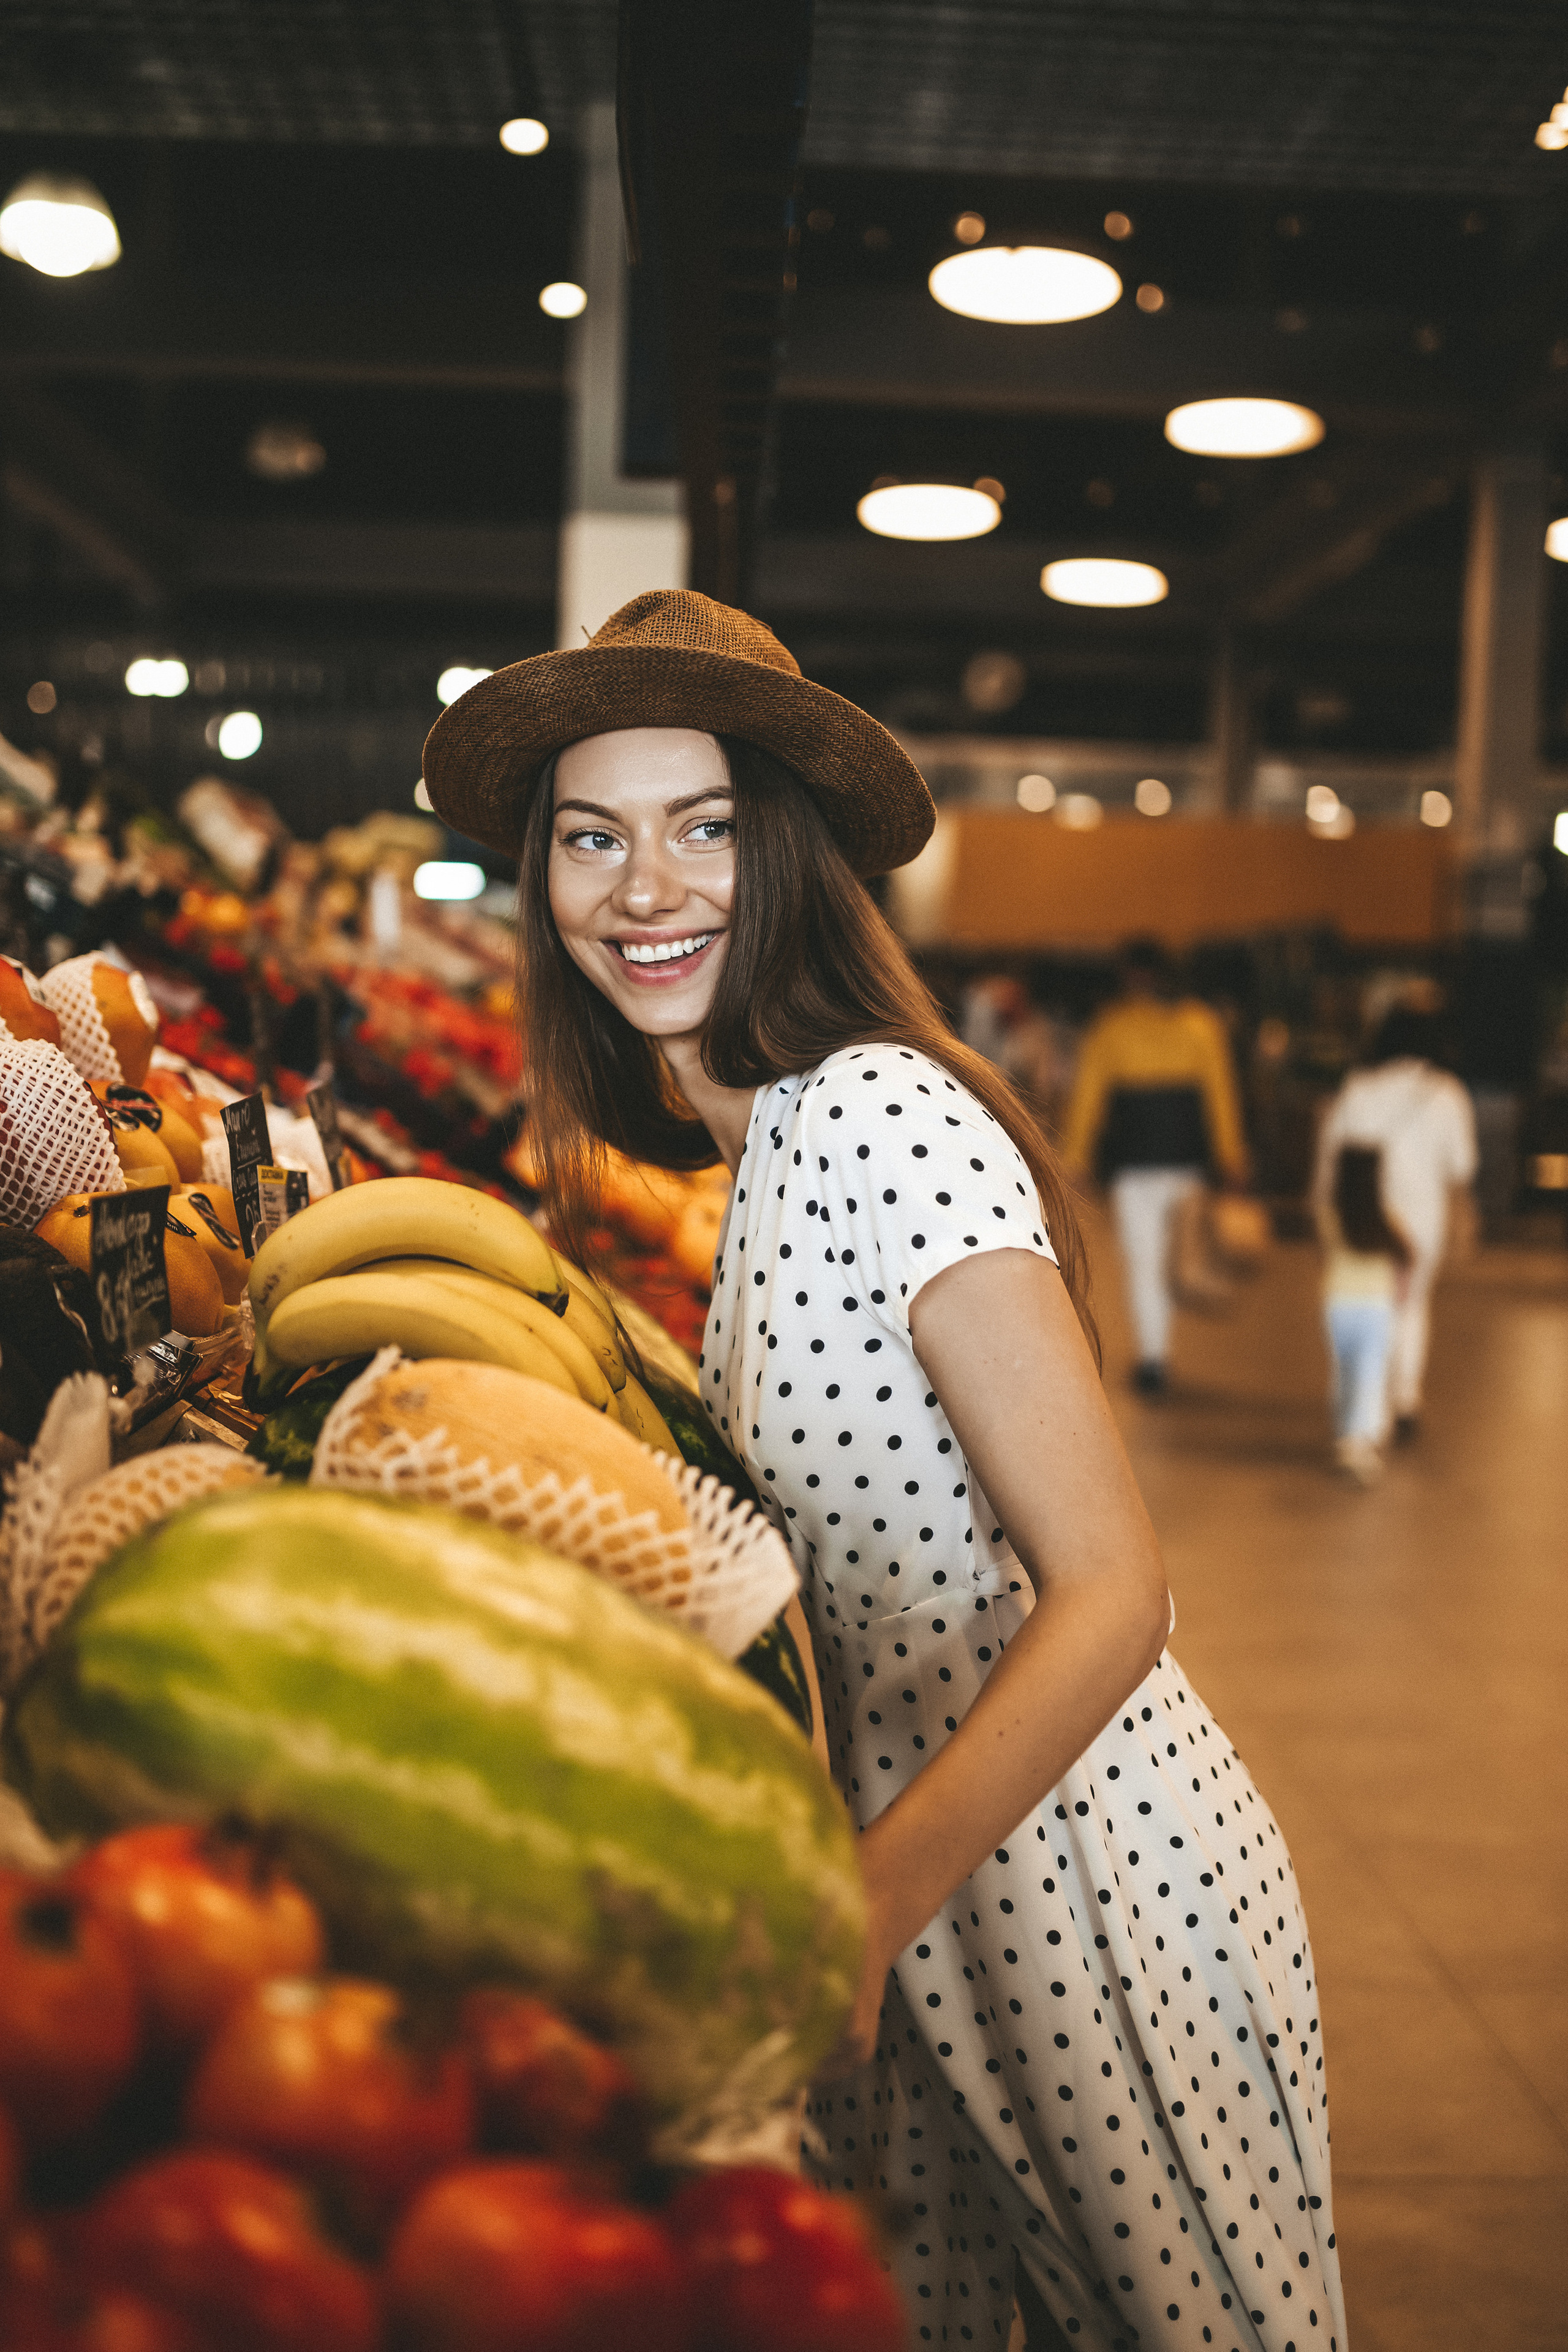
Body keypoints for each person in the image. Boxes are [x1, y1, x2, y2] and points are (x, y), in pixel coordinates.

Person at [424, 591, 1346, 2352]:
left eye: (703, 830)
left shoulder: (872, 1117)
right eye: (590, 839)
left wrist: (872, 1904)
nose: (646, 889)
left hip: (1082, 1890)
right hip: (940, 1905)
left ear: (783, 853)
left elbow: (1114, 1590)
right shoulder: (759, 1153)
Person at [1060, 941, 1250, 1396]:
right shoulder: (1201, 1026)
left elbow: (1088, 1097)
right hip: (1186, 1163)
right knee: (1175, 1256)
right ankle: (1156, 1352)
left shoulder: (1112, 1027)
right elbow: (1220, 1094)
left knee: (1144, 1260)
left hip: (1133, 1164)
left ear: (1130, 976)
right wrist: (1231, 1154)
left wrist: (1076, 1158)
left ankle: (1153, 1359)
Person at [1312, 1005, 1476, 1442]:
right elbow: (1460, 1170)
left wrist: (1324, 1220)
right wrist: (1465, 1219)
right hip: (1424, 1222)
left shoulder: (1359, 1088)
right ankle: (1404, 1398)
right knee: (1413, 1304)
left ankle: (1369, 1410)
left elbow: (1332, 1163)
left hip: (1366, 1218)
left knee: (1369, 1305)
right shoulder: (1448, 1093)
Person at [1319, 1142, 1413, 1485]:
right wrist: (1401, 1289)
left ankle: (1345, 1436)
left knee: (1344, 1371)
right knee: (1370, 1375)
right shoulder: (1386, 1218)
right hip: (1376, 1305)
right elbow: (1407, 1253)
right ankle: (1359, 1447)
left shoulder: (1331, 1215)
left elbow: (1326, 1253)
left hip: (1337, 1303)